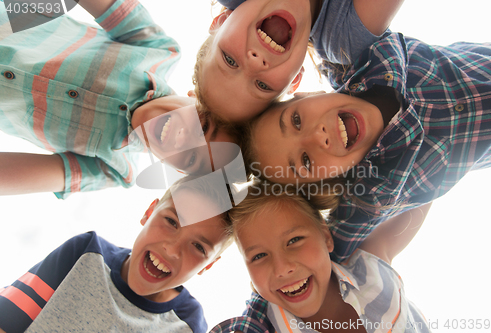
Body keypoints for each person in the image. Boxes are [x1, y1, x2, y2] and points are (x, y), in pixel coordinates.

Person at [240, 32, 491, 262]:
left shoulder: (356, 54)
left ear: (307, 94)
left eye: (296, 120)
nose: (318, 137)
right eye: (305, 162)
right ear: (325, 179)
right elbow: (324, 259)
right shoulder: (370, 197)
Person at [0, 0, 234, 198]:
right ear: (196, 95)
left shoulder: (114, 170)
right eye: (203, 126)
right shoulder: (160, 50)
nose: (184, 141)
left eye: (192, 158)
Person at [0, 175, 234, 333]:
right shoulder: (85, 253)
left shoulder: (189, 324)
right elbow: (6, 319)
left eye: (199, 247)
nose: (172, 250)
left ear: (209, 265)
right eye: (172, 221)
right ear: (149, 212)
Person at [211, 183, 432, 333]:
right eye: (258, 256)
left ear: (326, 236)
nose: (282, 268)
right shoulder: (261, 326)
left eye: (294, 240)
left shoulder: (369, 266)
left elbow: (429, 187)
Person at [192, 0, 404, 122]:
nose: (255, 63)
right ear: (295, 80)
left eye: (229, 60)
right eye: (262, 85)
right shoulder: (344, 39)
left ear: (221, 21)